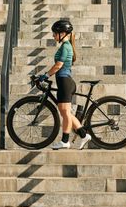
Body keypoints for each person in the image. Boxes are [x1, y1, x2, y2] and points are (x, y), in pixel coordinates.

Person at [38, 20, 91, 150]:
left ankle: (65, 141)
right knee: (65, 112)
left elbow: (58, 65)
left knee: (66, 113)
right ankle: (83, 135)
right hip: (64, 81)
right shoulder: (66, 46)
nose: (53, 36)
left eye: (55, 33)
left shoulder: (65, 46)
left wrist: (45, 75)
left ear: (62, 33)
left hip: (65, 82)